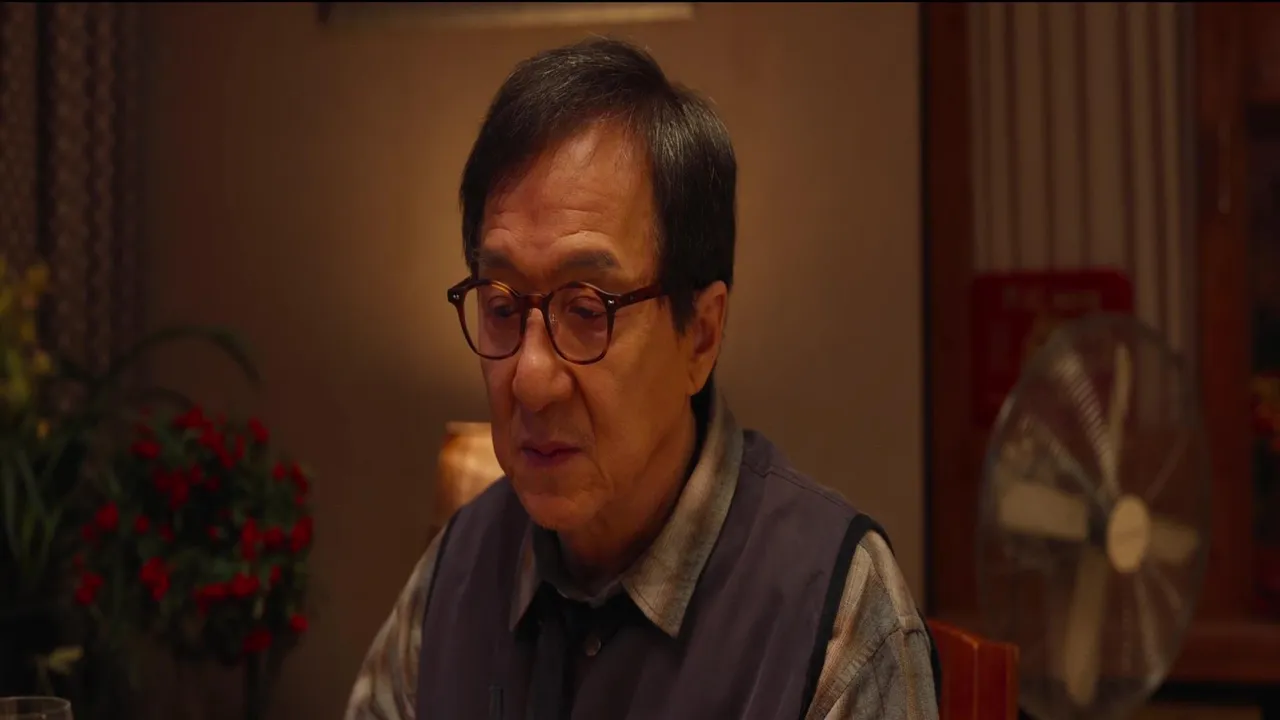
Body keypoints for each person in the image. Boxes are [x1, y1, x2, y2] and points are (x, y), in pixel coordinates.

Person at [345, 37, 939, 720]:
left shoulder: (830, 612)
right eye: (502, 307)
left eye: (587, 311)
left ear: (701, 335)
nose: (531, 380)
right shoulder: (457, 573)